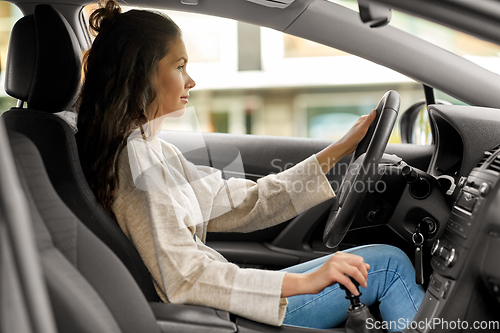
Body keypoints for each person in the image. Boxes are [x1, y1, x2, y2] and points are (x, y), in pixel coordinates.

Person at [76, 0, 424, 330]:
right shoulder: (134, 163)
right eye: (179, 66)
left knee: (380, 259)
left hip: (221, 303)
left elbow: (246, 202)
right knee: (389, 266)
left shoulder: (151, 148)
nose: (191, 81)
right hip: (219, 315)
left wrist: (339, 149)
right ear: (140, 75)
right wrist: (303, 282)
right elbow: (184, 276)